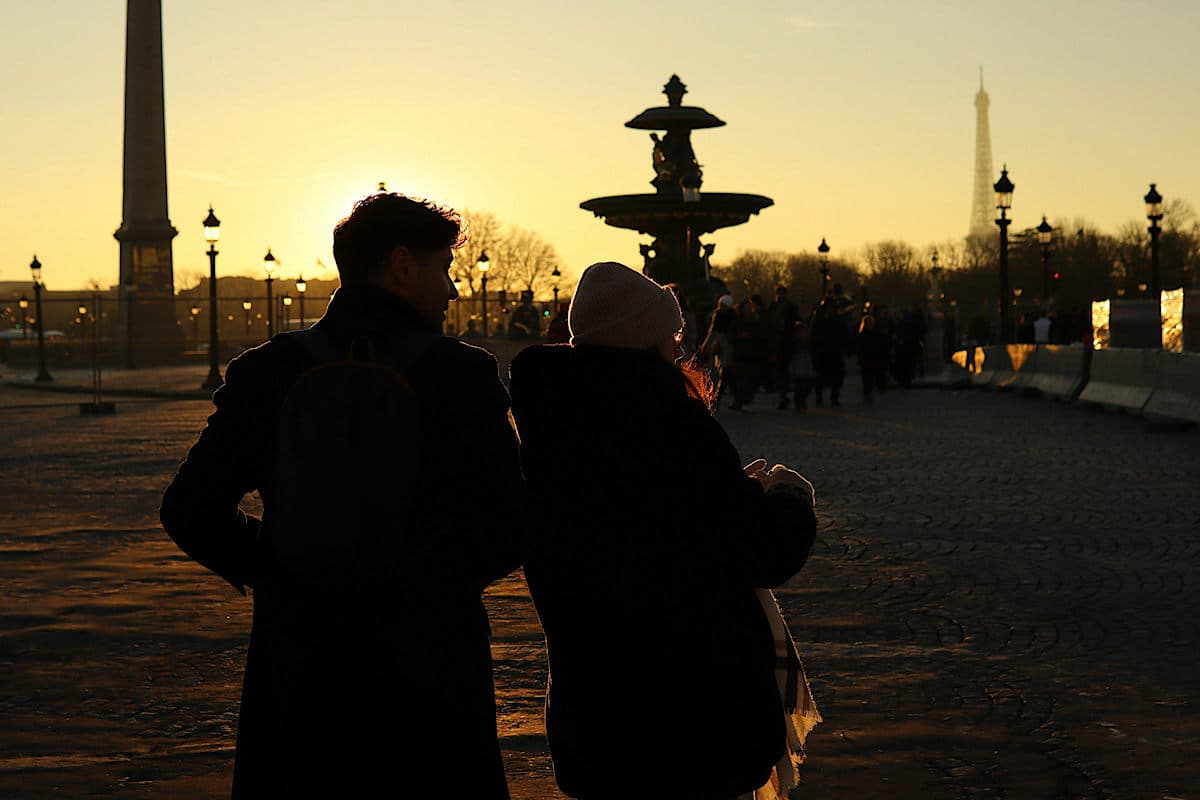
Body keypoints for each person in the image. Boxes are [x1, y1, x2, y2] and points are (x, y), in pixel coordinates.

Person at [160, 192, 523, 798]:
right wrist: (430, 582)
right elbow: (510, 523)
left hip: (301, 658)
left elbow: (189, 509)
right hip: (429, 663)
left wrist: (279, 565)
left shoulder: (270, 370)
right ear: (402, 266)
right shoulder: (459, 375)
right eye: (444, 269)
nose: (453, 290)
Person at [508, 261, 819, 800]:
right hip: (691, 708)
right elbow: (763, 549)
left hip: (596, 707)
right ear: (641, 339)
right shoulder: (672, 426)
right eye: (671, 336)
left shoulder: (548, 428)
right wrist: (789, 500)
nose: (678, 347)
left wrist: (728, 493)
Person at [810, 298, 850, 406]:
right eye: (828, 307)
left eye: (832, 307)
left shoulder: (839, 319)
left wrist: (845, 347)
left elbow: (844, 334)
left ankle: (834, 397)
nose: (830, 309)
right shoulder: (819, 320)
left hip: (835, 353)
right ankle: (819, 397)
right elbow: (814, 336)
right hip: (822, 353)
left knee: (836, 378)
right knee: (820, 377)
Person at [767, 285, 800, 409]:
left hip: (785, 342)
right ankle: (783, 395)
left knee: (783, 370)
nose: (780, 295)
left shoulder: (789, 307)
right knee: (779, 371)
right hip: (777, 342)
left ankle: (783, 396)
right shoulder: (774, 306)